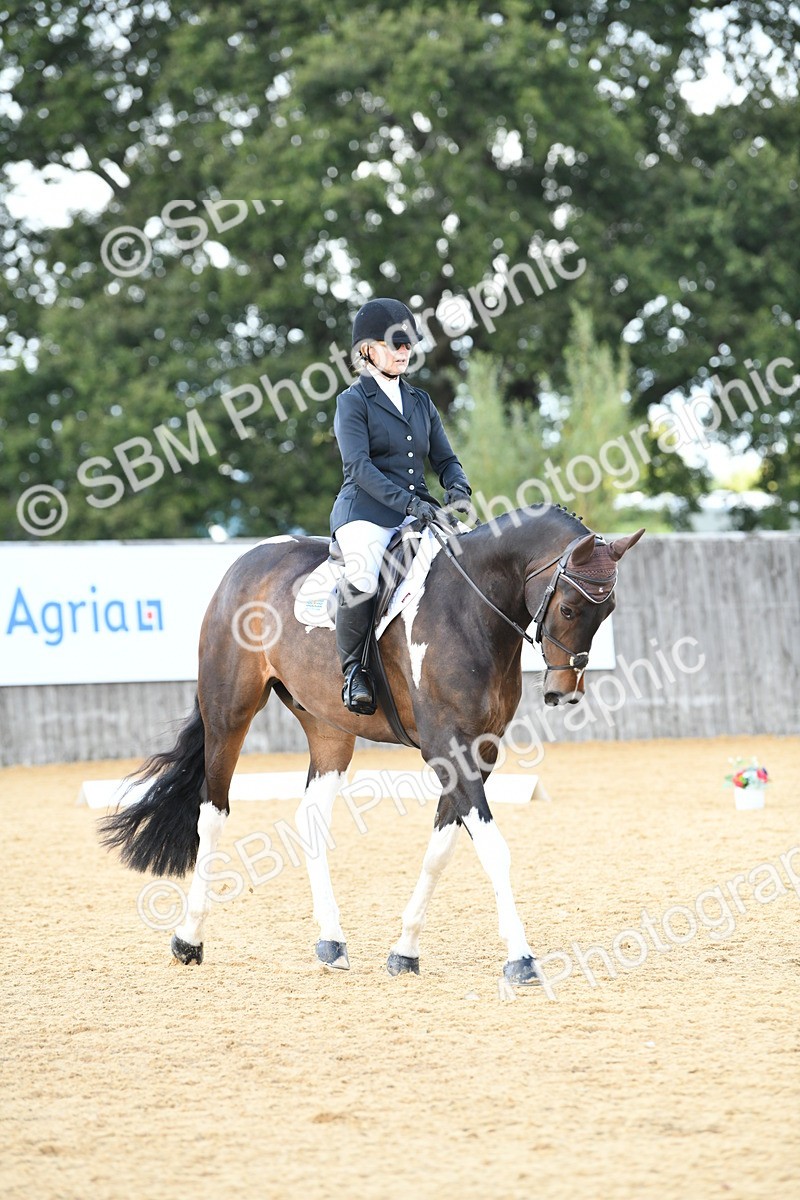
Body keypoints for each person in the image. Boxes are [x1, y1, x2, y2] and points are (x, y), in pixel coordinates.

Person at [330, 297, 472, 715]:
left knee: (471, 558)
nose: (404, 351)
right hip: (366, 513)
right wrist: (409, 504)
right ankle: (354, 671)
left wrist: (457, 485)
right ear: (367, 350)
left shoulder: (421, 401)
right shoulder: (353, 402)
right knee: (364, 576)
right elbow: (358, 468)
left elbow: (444, 459)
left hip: (418, 512)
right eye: (395, 344)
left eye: (408, 343)